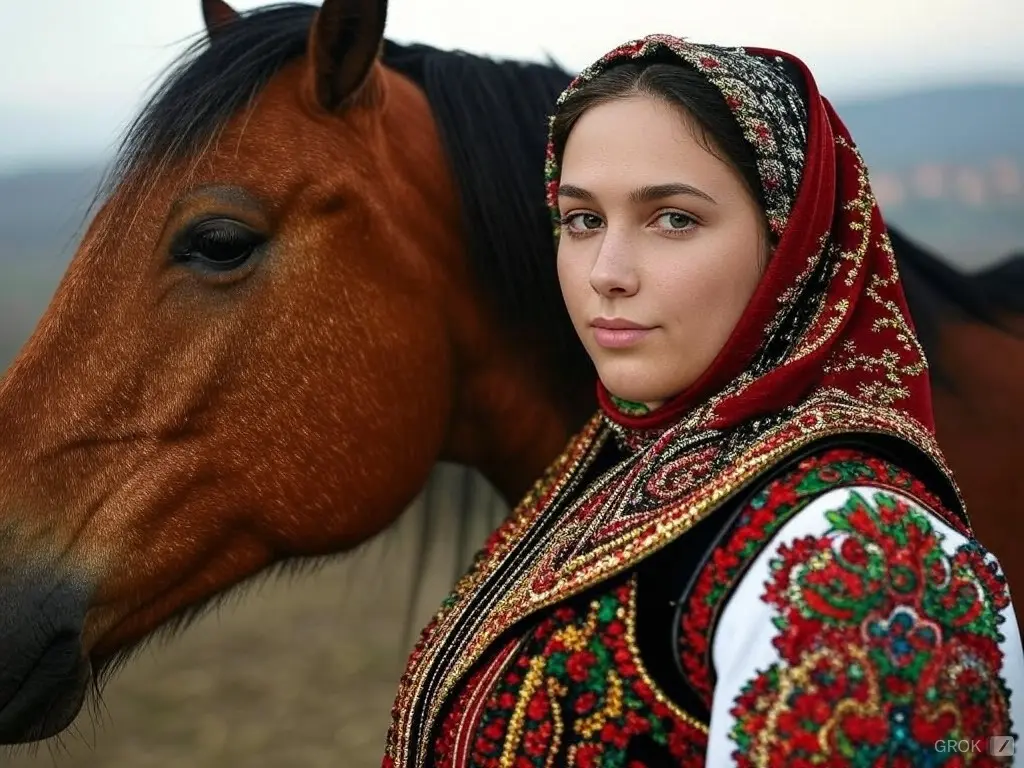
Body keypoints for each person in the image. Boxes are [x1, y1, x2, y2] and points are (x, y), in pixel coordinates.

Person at [383, 34, 1024, 767]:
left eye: (673, 219)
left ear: (792, 243)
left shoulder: (861, 555)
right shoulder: (612, 468)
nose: (607, 273)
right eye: (583, 219)